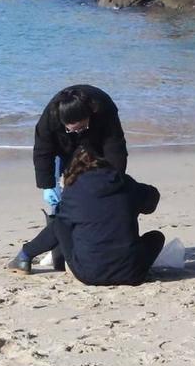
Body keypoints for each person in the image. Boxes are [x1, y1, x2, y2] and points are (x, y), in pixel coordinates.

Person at [9, 84, 129, 274]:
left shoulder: (104, 109)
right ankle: (60, 254)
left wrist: (113, 180)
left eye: (82, 127)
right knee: (66, 207)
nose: (77, 131)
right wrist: (48, 185)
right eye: (72, 129)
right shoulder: (51, 118)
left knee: (98, 198)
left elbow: (115, 146)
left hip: (97, 146)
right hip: (63, 150)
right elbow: (42, 151)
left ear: (89, 115)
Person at [50, 147, 164, 287]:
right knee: (157, 237)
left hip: (88, 274)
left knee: (61, 223)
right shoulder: (124, 182)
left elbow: (59, 227)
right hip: (132, 273)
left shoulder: (72, 190)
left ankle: (37, 257)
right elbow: (151, 202)